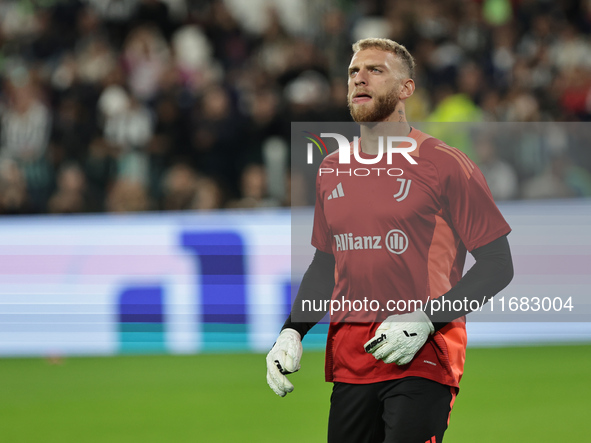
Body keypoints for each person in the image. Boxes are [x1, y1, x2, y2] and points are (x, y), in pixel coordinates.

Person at [266, 38, 514, 443]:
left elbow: (498, 265)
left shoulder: (445, 164)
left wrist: (426, 320)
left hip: (423, 357)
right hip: (351, 362)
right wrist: (292, 331)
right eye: (352, 72)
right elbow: (326, 264)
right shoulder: (331, 168)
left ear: (406, 89)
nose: (359, 78)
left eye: (375, 70)